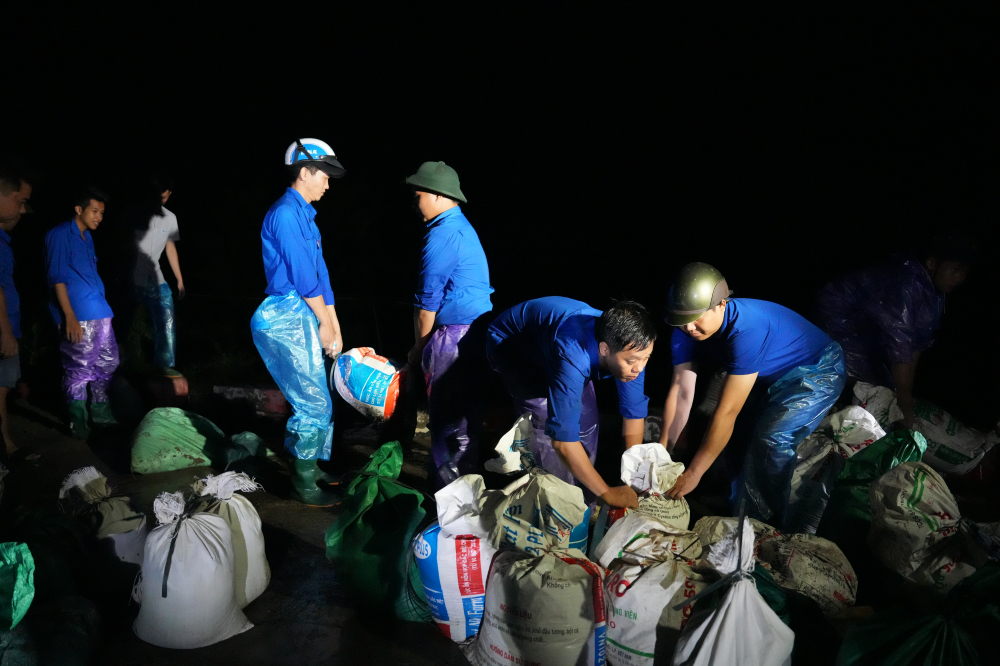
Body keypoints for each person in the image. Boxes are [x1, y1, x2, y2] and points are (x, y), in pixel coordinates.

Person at [661, 262, 845, 529]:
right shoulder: (682, 332)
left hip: (817, 368)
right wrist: (663, 454)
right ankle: (738, 504)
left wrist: (694, 473)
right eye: (682, 319)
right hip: (765, 371)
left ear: (721, 305)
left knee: (771, 439)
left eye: (697, 317)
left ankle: (764, 526)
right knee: (738, 435)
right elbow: (680, 392)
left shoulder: (746, 330)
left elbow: (727, 412)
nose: (689, 327)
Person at [487, 297, 656, 509]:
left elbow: (633, 414)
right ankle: (556, 508)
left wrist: (634, 476)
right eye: (631, 361)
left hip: (556, 343)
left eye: (646, 358)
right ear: (604, 349)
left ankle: (585, 503)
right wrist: (607, 492)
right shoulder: (574, 356)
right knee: (546, 428)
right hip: (514, 348)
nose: (639, 368)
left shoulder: (634, 349)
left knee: (586, 420)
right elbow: (562, 441)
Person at [251, 138, 345, 506]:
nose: (327, 183)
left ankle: (313, 468)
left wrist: (333, 324)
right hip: (287, 313)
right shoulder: (286, 214)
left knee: (317, 397)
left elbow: (321, 273)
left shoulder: (306, 214)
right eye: (324, 175)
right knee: (312, 402)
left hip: (307, 309)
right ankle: (302, 483)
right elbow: (304, 277)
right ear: (304, 172)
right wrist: (324, 321)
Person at [814, 234, 975, 428]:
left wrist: (904, 396)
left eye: (964, 272)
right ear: (932, 263)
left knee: (889, 393)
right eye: (955, 269)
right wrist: (905, 403)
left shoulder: (935, 294)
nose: (959, 278)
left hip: (867, 337)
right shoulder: (905, 282)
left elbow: (916, 345)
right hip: (839, 327)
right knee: (864, 391)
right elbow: (899, 344)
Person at [404, 161, 494, 489]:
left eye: (419, 196)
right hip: (478, 333)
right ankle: (468, 492)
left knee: (444, 425)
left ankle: (444, 498)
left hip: (454, 337)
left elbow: (426, 304)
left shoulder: (442, 234)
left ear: (440, 196)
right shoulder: (462, 228)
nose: (415, 204)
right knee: (468, 422)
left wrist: (419, 348)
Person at [45, 188, 120, 439]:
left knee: (108, 363)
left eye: (102, 213)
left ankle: (101, 411)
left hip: (99, 309)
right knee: (79, 368)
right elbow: (57, 278)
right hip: (78, 314)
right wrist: (68, 316)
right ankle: (77, 420)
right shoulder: (58, 235)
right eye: (94, 211)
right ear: (79, 209)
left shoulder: (87, 237)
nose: (99, 216)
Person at [134, 174, 184, 377]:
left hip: (156, 276)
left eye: (163, 197)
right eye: (157, 197)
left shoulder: (170, 217)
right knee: (130, 321)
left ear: (169, 195)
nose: (160, 201)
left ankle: (165, 366)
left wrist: (179, 279)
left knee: (166, 313)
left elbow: (170, 247)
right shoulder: (136, 213)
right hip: (134, 276)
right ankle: (123, 362)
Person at [0, 163, 33, 454]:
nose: (23, 211)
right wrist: (6, 332)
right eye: (19, 202)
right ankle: (6, 446)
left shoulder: (4, 241)